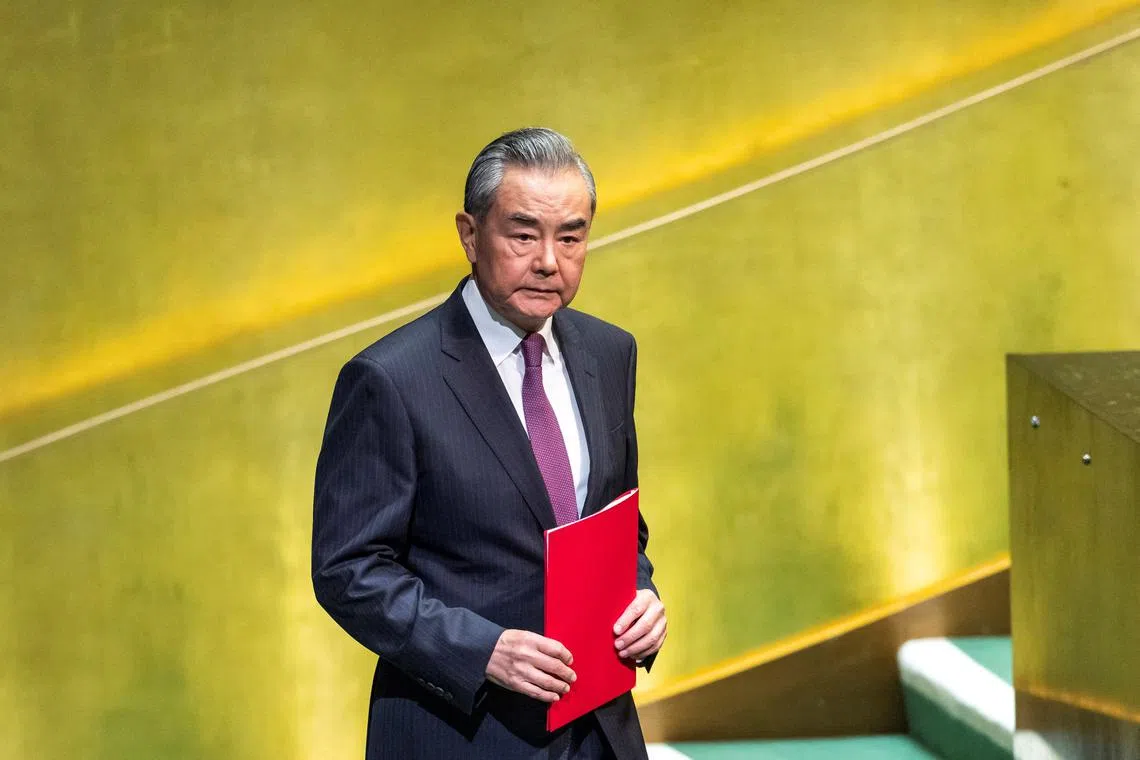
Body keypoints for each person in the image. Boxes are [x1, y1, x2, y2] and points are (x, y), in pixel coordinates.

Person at [312, 127, 666, 759]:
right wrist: (482, 652)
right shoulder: (391, 380)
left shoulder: (610, 353)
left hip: (601, 729)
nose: (549, 260)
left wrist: (642, 594)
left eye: (571, 237)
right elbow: (348, 571)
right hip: (462, 733)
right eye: (523, 235)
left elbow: (617, 521)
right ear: (470, 234)